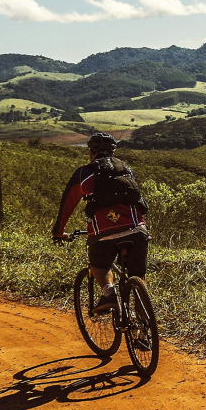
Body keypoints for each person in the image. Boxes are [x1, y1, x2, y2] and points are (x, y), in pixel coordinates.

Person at [52, 132, 149, 316]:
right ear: (113, 154)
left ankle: (109, 293)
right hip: (137, 229)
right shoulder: (126, 168)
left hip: (103, 233)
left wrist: (59, 231)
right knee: (139, 278)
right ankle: (144, 334)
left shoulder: (85, 173)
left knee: (99, 265)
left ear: (91, 153)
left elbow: (68, 204)